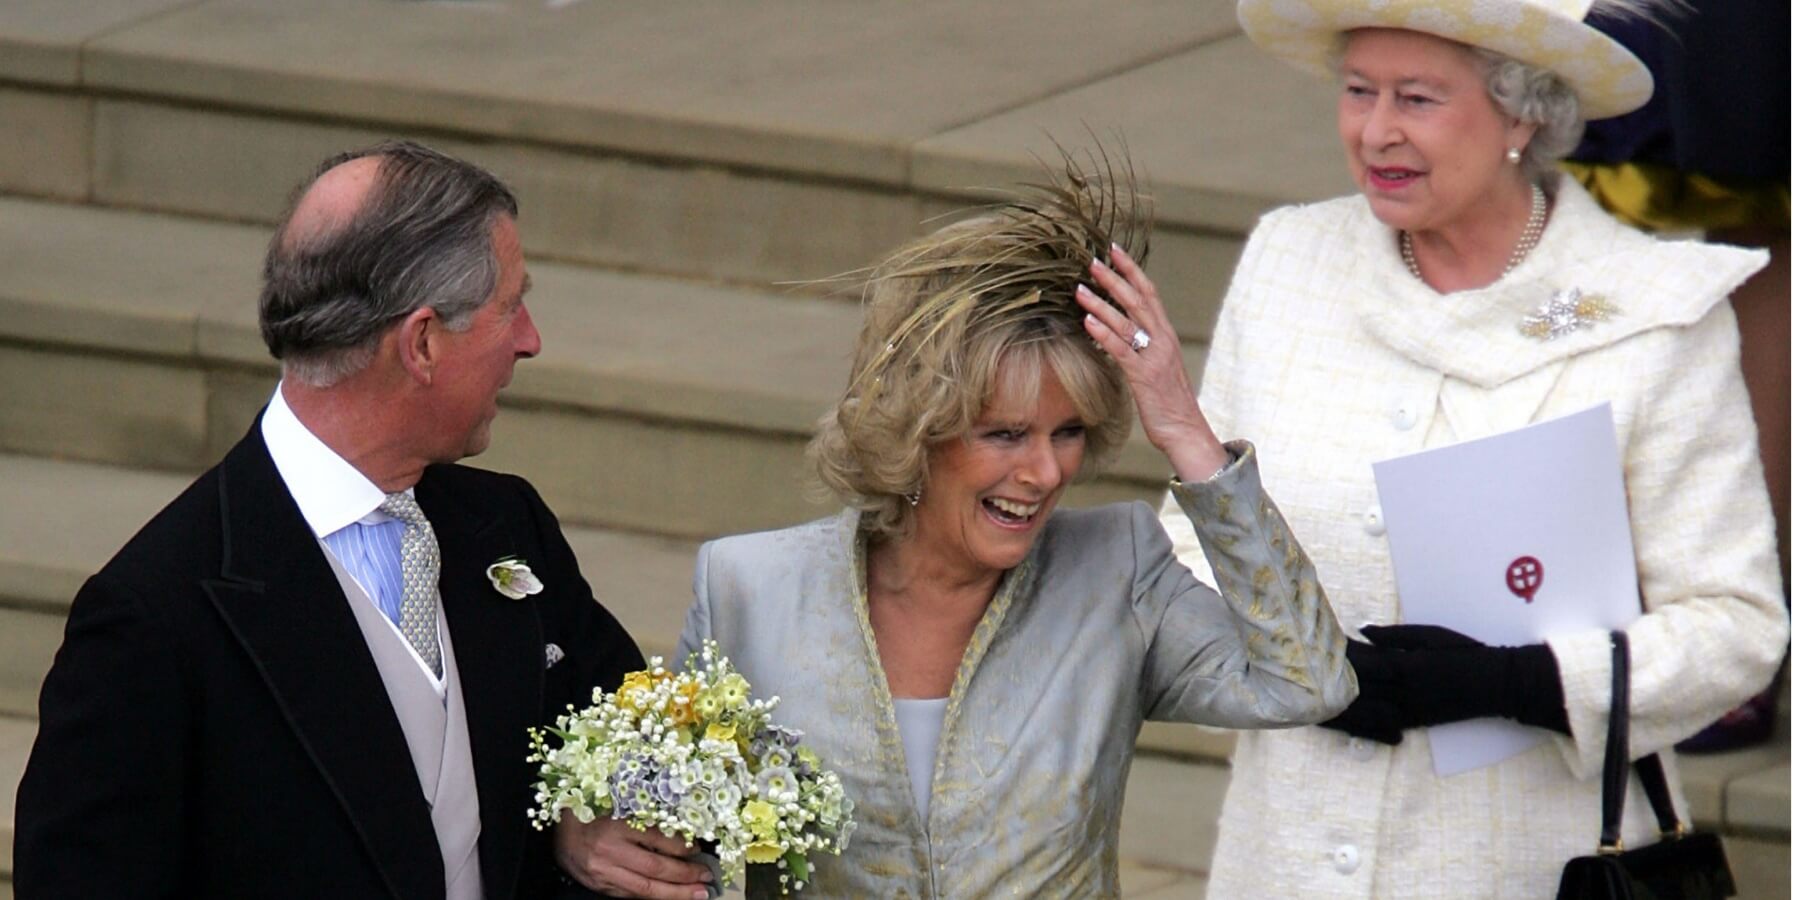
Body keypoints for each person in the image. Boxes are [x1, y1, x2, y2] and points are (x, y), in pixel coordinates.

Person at [1157, 1, 1789, 896]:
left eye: (1417, 98)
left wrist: (1518, 683)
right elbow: (1189, 549)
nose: (1377, 130)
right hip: (1287, 855)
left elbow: (1736, 626)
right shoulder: (1288, 261)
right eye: (1358, 91)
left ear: (1522, 111)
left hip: (1526, 861)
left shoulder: (1654, 315)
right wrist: (1274, 663)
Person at [13, 141, 713, 900]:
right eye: (508, 307)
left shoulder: (506, 526)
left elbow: (645, 742)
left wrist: (581, 813)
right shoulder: (154, 617)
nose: (529, 340)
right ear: (421, 343)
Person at [670, 158, 1356, 896]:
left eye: (1066, 433)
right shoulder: (751, 590)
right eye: (1004, 434)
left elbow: (1307, 684)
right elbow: (683, 847)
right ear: (917, 431)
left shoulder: (1115, 572)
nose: (1045, 472)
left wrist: (1187, 433)